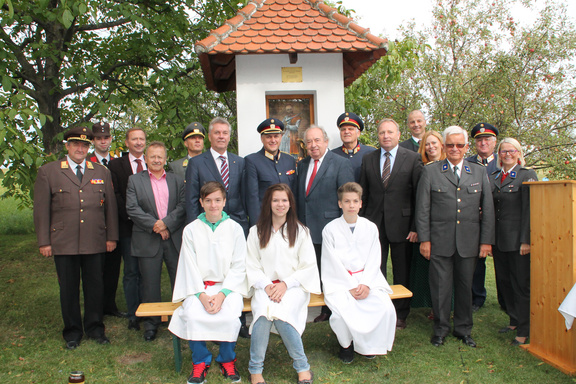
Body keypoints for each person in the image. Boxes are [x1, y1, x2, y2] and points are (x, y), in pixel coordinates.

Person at [33, 126, 118, 350]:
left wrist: (112, 237)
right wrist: (44, 241)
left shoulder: (100, 171)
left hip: (94, 239)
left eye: (84, 145)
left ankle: (95, 328)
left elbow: (110, 208)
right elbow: (41, 211)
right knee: (68, 289)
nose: (80, 149)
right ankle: (72, 332)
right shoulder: (49, 171)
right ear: (67, 146)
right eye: (76, 144)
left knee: (95, 287)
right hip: (64, 241)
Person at [416, 126, 495, 348]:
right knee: (440, 289)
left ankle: (463, 329)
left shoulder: (478, 172)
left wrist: (486, 241)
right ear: (443, 146)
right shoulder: (431, 172)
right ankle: (440, 329)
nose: (455, 149)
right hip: (439, 242)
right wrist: (425, 239)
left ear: (466, 147)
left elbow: (487, 209)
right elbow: (422, 209)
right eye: (450, 145)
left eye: (460, 145)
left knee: (464, 287)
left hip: (469, 242)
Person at [168, 181, 247, 384]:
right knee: (193, 316)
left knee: (230, 317)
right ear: (201, 202)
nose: (214, 205)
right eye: (209, 201)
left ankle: (227, 359)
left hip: (228, 288)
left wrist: (222, 295)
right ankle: (201, 361)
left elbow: (239, 266)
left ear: (224, 201)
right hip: (198, 288)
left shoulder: (235, 229)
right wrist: (202, 297)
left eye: (218, 200)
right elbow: (189, 266)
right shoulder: (191, 230)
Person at [246, 183, 319, 384]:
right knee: (262, 314)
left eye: (284, 200)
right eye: (275, 200)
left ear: (290, 203)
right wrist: (266, 285)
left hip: (293, 287)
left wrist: (285, 284)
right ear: (268, 203)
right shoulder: (256, 231)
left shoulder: (301, 231)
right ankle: (255, 370)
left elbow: (307, 267)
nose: (280, 204)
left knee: (281, 316)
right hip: (265, 286)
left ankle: (302, 366)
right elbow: (251, 265)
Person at [321, 182, 396, 363]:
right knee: (341, 313)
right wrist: (350, 286)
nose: (351, 205)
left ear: (361, 203)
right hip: (340, 281)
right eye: (347, 201)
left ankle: (369, 344)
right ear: (340, 204)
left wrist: (366, 284)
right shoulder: (330, 229)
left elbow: (374, 257)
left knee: (384, 306)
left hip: (367, 278)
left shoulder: (370, 227)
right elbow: (331, 262)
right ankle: (346, 345)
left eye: (355, 201)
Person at [359, 118, 423, 329]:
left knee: (401, 270)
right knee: (375, 269)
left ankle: (400, 313)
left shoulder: (412, 159)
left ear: (398, 134)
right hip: (374, 224)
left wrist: (415, 227)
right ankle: (379, 308)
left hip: (403, 226)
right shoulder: (368, 159)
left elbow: (418, 197)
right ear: (377, 136)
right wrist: (362, 224)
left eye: (390, 132)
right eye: (381, 133)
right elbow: (364, 194)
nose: (385, 136)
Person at [126, 141, 186, 341]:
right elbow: (133, 209)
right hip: (147, 238)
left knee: (179, 280)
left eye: (160, 156)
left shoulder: (177, 180)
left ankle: (181, 319)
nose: (157, 160)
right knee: (150, 283)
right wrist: (156, 226)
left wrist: (166, 224)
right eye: (153, 156)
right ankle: (151, 324)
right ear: (145, 158)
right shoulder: (135, 181)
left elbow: (183, 205)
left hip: (173, 237)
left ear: (165, 158)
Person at [297, 125, 354, 322]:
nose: (313, 145)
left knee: (331, 270)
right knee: (315, 269)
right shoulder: (303, 164)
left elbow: (347, 198)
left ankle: (331, 309)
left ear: (326, 141)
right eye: (309, 142)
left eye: (317, 140)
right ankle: (321, 306)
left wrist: (345, 228)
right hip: (306, 227)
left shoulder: (340, 163)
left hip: (330, 227)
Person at [489, 138, 537, 346]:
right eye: (503, 151)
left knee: (520, 285)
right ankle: (514, 320)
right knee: (504, 283)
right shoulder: (494, 176)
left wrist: (526, 240)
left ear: (518, 153)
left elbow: (530, 210)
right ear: (498, 155)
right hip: (499, 241)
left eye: (511, 151)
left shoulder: (527, 175)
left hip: (518, 242)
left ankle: (525, 329)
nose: (507, 154)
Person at [108, 127, 147, 330]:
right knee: (131, 271)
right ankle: (134, 314)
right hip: (127, 226)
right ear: (127, 142)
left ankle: (149, 310)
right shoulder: (116, 165)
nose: (139, 142)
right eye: (134, 139)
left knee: (147, 271)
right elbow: (115, 195)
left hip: (150, 228)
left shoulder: (154, 162)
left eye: (142, 139)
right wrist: (133, 216)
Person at [186, 117, 249, 235]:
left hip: (237, 224)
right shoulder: (196, 163)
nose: (221, 136)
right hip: (208, 226)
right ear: (209, 137)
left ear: (229, 137)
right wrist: (194, 229)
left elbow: (245, 196)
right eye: (217, 133)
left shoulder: (240, 162)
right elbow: (191, 200)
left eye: (225, 133)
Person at [88, 121, 126, 319]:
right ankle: (96, 307)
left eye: (106, 137)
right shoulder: (87, 161)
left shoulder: (118, 161)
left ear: (111, 139)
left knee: (112, 267)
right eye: (98, 138)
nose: (103, 141)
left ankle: (109, 305)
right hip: (93, 221)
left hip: (115, 220)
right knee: (95, 269)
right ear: (93, 141)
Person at [411, 130, 446, 313]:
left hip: (446, 225)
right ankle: (432, 305)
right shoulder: (420, 168)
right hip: (426, 225)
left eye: (434, 143)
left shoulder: (450, 165)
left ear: (442, 144)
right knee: (429, 269)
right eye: (427, 144)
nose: (431, 147)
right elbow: (417, 200)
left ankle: (447, 305)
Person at [466, 122, 500, 312]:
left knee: (502, 263)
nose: (483, 143)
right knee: (476, 261)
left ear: (495, 142)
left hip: (498, 220)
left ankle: (506, 299)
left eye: (487, 139)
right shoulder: (469, 162)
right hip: (473, 220)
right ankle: (476, 297)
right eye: (479, 140)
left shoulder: (503, 161)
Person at [245, 118, 297, 224]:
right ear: (262, 138)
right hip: (265, 221)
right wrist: (257, 226)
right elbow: (252, 198)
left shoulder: (289, 160)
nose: (273, 140)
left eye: (276, 136)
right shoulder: (252, 161)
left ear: (281, 137)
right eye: (268, 137)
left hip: (287, 221)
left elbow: (293, 194)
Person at [331, 112, 377, 182]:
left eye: (350, 129)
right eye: (343, 129)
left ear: (358, 133)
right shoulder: (332, 155)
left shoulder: (371, 153)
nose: (346, 132)